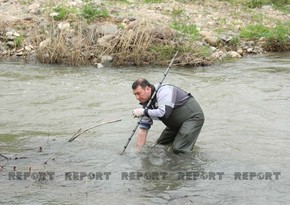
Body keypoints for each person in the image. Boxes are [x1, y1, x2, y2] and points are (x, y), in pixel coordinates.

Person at [132, 78, 205, 154]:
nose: (137, 97)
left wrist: (143, 111)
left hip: (192, 118)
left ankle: (188, 163)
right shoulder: (146, 102)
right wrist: (139, 151)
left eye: (138, 93)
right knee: (161, 145)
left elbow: (164, 113)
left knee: (179, 149)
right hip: (175, 123)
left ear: (147, 88)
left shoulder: (164, 91)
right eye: (135, 94)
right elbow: (144, 127)